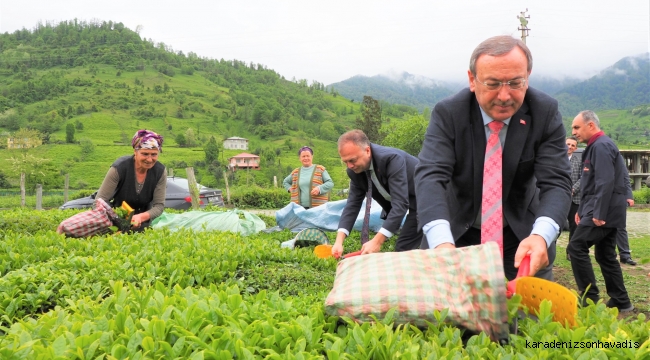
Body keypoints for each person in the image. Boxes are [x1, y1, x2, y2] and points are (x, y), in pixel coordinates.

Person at [414, 35, 572, 280]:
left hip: (522, 236)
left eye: (515, 83)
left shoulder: (544, 112)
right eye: (493, 83)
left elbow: (557, 182)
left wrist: (541, 236)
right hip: (457, 233)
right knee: (446, 314)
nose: (504, 95)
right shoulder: (449, 113)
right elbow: (430, 177)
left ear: (528, 77)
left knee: (531, 314)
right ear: (472, 80)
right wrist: (442, 244)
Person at [568, 110, 633, 311]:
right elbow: (592, 182)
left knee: (576, 247)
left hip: (604, 212)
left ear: (591, 126)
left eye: (577, 127)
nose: (574, 132)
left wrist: (598, 214)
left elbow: (605, 182)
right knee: (605, 255)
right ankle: (621, 301)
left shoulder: (602, 146)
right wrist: (583, 210)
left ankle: (589, 299)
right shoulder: (596, 146)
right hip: (604, 210)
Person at [331, 130, 421, 257]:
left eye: (352, 160)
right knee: (404, 248)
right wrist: (338, 241)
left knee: (416, 247)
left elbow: (400, 204)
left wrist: (377, 241)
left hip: (432, 198)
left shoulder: (391, 159)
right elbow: (352, 205)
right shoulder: (355, 171)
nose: (349, 166)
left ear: (367, 151)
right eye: (345, 162)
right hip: (414, 203)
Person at [95, 129, 167, 230]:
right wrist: (118, 219)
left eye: (154, 154)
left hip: (144, 224)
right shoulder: (119, 168)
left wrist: (140, 217)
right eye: (145, 154)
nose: (150, 159)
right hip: (114, 222)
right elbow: (99, 201)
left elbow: (159, 206)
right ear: (135, 152)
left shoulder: (160, 171)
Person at [616, 168, 637, 265]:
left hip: (618, 198)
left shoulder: (618, 160)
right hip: (601, 198)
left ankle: (625, 255)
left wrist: (629, 196)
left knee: (621, 227)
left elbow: (626, 179)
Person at [566, 136, 582, 261]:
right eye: (568, 144)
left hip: (574, 198)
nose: (570, 147)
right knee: (555, 225)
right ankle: (550, 251)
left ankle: (570, 252)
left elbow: (583, 178)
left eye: (572, 145)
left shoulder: (579, 161)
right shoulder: (555, 160)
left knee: (574, 226)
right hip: (558, 198)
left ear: (575, 148)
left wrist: (573, 189)